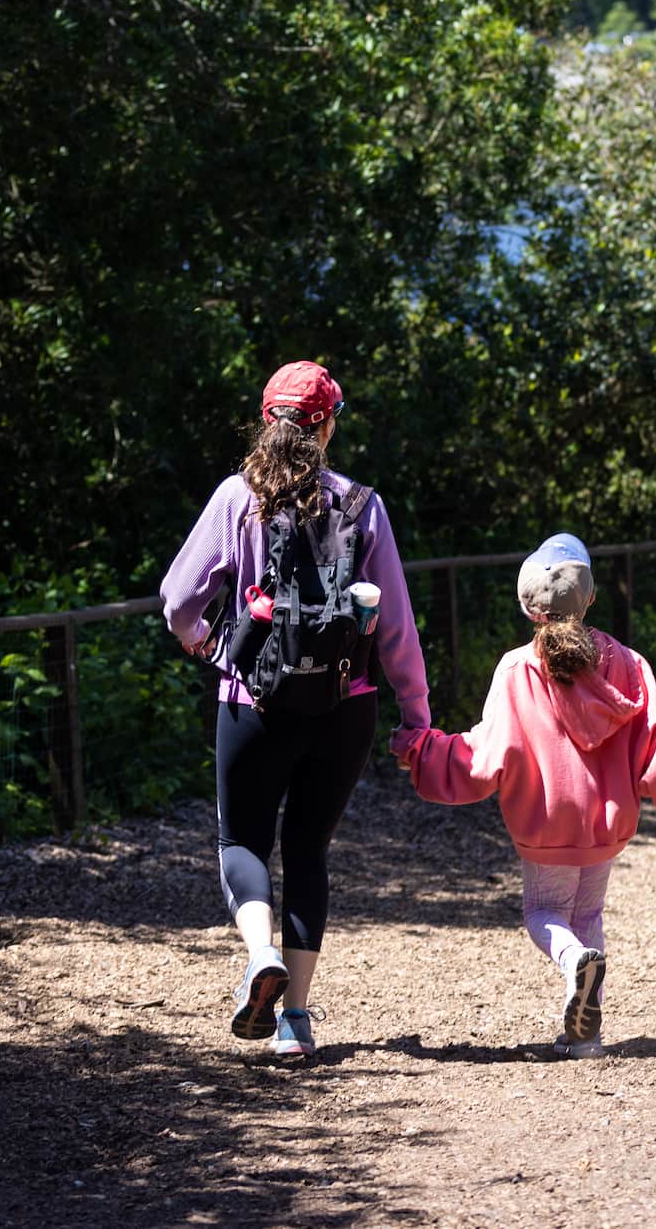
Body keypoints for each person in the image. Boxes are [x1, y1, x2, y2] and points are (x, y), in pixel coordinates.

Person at [161, 360, 429, 1061]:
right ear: (327, 424)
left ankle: (260, 956)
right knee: (308, 850)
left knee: (242, 845)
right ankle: (297, 1021)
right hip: (346, 705)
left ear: (266, 420)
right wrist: (416, 714)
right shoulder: (363, 505)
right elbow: (397, 626)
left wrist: (208, 644)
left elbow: (178, 600)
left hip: (254, 701)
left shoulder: (236, 499)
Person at [394, 533, 656, 1057]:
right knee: (588, 915)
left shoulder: (517, 669)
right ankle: (587, 1037)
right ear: (590, 598)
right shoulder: (628, 664)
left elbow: (485, 754)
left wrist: (423, 752)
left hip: (545, 821)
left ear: (528, 606)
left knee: (544, 911)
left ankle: (572, 962)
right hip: (606, 822)